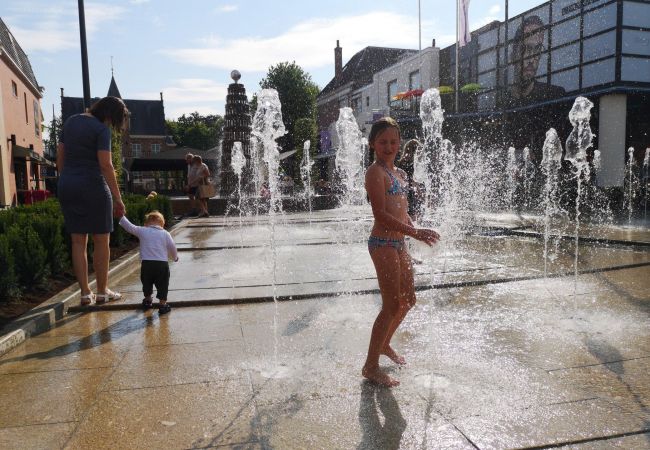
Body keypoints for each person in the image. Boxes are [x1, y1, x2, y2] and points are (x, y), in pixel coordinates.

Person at [363, 117, 440, 387]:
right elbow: (381, 214)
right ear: (373, 144)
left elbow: (402, 212)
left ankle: (384, 345)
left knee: (408, 299)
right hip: (382, 244)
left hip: (399, 244)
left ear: (400, 144)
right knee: (391, 304)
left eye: (393, 141)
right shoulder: (375, 173)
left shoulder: (401, 174)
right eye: (382, 141)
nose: (388, 146)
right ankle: (370, 366)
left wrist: (415, 228)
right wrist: (415, 233)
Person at [57, 96, 128, 305]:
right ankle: (103, 290)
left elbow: (61, 155)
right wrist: (118, 197)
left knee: (78, 241)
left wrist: (67, 179)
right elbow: (106, 165)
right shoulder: (100, 129)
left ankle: (85, 293)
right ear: (108, 115)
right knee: (101, 239)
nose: (111, 125)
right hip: (93, 186)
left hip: (68, 184)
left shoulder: (70, 122)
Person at [118, 210, 178, 314]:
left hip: (147, 264)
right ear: (163, 224)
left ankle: (148, 300)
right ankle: (162, 305)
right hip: (161, 265)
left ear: (146, 223)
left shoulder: (142, 230)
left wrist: (122, 217)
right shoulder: (165, 233)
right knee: (163, 284)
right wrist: (175, 257)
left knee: (146, 282)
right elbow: (172, 246)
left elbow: (130, 227)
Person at [501, 15, 566, 108]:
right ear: (512, 57)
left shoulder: (555, 96)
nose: (531, 59)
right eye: (525, 49)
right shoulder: (503, 103)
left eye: (537, 49)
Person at [397, 139, 424, 221]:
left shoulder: (402, 161)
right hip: (411, 191)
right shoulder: (410, 162)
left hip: (405, 191)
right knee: (413, 215)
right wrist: (417, 186)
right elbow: (407, 178)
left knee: (410, 214)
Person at [184, 153, 197, 217]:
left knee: (199, 197)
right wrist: (188, 184)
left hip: (197, 184)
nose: (186, 161)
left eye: (187, 160)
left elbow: (198, 176)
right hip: (191, 184)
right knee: (190, 196)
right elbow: (189, 176)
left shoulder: (196, 165)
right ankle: (194, 210)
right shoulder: (189, 166)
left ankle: (201, 210)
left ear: (191, 159)